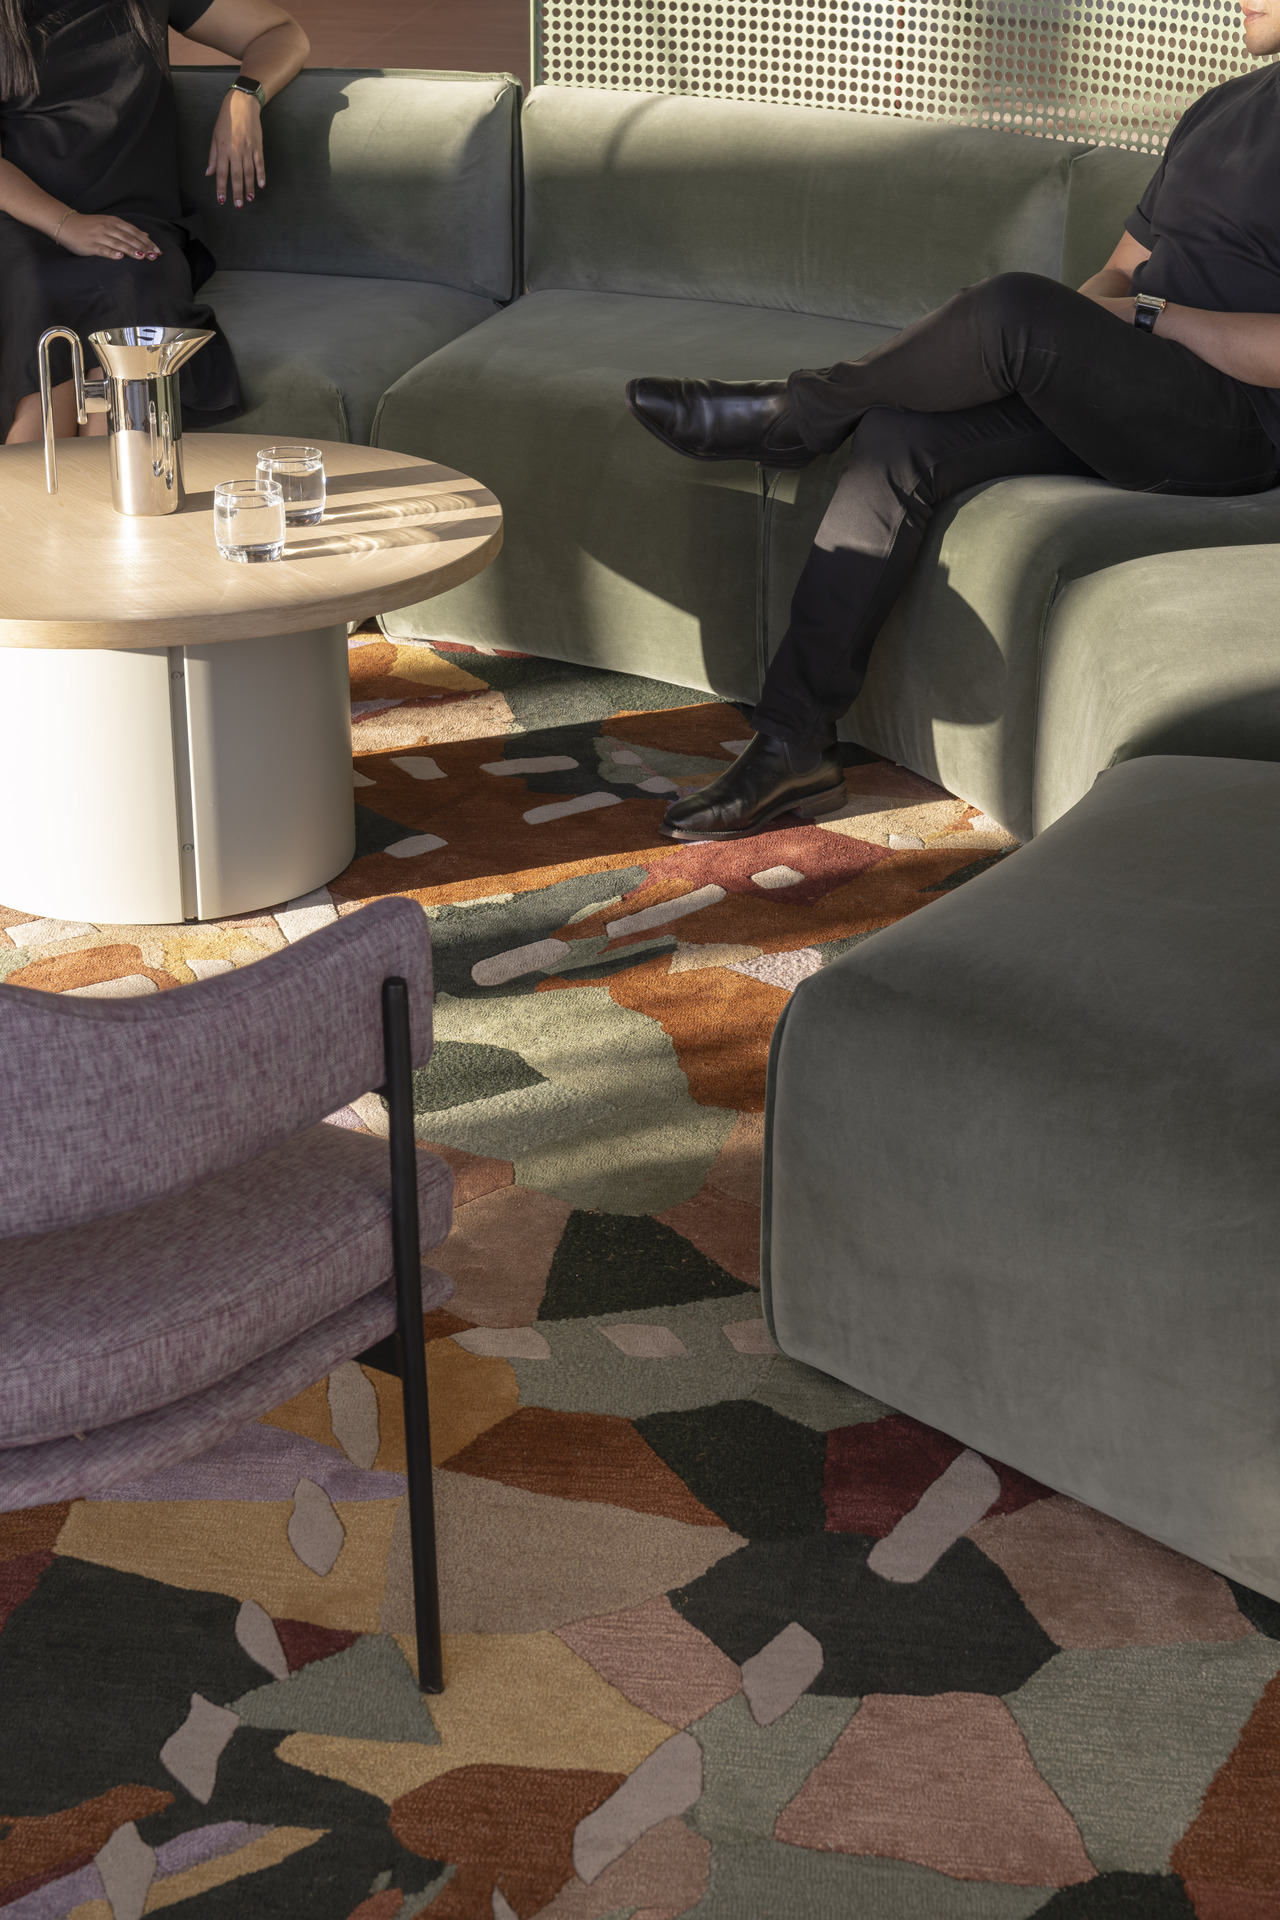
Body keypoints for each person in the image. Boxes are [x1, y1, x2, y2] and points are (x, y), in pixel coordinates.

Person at [627, 0, 1280, 842]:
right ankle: (793, 743)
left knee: (1011, 307)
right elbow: (1122, 271)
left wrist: (1143, 321)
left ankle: (796, 412)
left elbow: (1166, 315)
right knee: (900, 434)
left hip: (1238, 424)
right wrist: (1074, 340)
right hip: (1136, 385)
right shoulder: (1221, 105)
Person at [0, 0, 309, 446]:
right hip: (24, 220)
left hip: (134, 222)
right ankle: (40, 489)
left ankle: (113, 484)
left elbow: (280, 31)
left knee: (131, 302)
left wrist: (245, 96)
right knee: (36, 303)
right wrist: (68, 225)